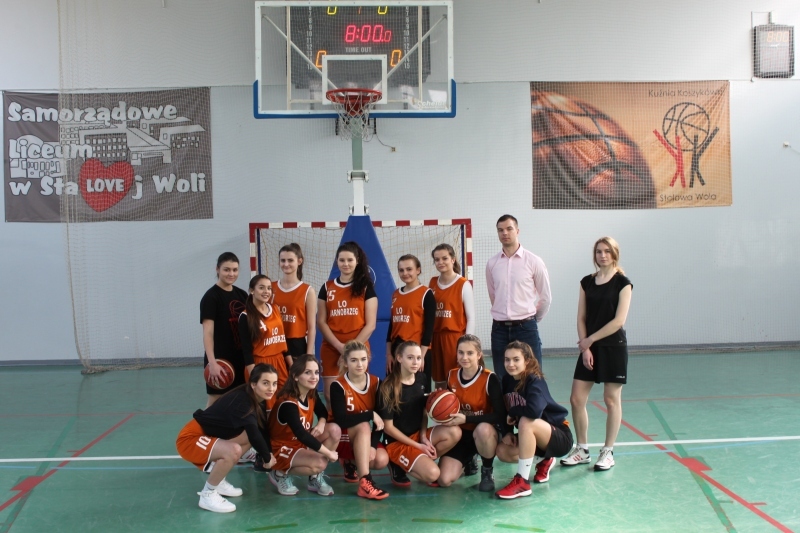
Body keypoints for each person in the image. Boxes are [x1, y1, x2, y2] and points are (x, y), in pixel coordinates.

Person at [562, 236, 632, 472]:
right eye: (599, 251)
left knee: (611, 400)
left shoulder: (623, 284)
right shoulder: (586, 282)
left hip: (613, 347)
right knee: (576, 399)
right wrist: (586, 349)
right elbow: (581, 317)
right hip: (589, 348)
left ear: (614, 254)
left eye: (607, 251)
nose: (602, 255)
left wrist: (589, 340)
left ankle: (608, 451)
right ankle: (582, 449)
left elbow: (619, 321)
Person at [176, 364, 279, 513]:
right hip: (190, 438)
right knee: (234, 450)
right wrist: (267, 459)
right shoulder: (243, 401)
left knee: (247, 437)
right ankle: (208, 494)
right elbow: (254, 434)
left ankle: (218, 480)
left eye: (274, 383)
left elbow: (260, 429)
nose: (271, 388)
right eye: (266, 383)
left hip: (207, 436)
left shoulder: (257, 398)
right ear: (253, 384)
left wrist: (268, 452)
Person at [495, 341, 573, 500]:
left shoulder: (534, 380)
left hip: (559, 437)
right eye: (507, 359)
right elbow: (504, 409)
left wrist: (514, 412)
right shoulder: (507, 380)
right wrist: (507, 432)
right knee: (502, 451)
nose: (510, 364)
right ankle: (545, 459)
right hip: (535, 439)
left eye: (516, 359)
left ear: (527, 361)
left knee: (526, 421)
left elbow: (534, 412)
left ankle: (522, 482)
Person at [377, 341, 461, 487]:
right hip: (397, 443)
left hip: (417, 435)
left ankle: (420, 460)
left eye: (418, 358)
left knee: (455, 432)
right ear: (399, 358)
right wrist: (418, 445)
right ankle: (396, 463)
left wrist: (423, 437)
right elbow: (388, 428)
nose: (415, 362)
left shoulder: (421, 378)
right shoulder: (387, 387)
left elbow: (423, 411)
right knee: (433, 474)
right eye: (410, 358)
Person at [438, 334, 508, 492]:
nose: (464, 357)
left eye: (470, 353)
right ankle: (469, 459)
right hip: (462, 434)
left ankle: (487, 470)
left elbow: (500, 415)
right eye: (461, 352)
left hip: (486, 432)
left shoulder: (490, 379)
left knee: (482, 429)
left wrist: (466, 418)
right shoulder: (452, 375)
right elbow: (448, 407)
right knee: (444, 479)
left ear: (479, 355)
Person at [486, 214, 552, 377]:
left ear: (517, 231)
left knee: (533, 377)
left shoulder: (534, 261)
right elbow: (493, 296)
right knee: (502, 378)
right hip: (499, 330)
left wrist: (531, 319)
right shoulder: (492, 263)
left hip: (526, 328)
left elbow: (545, 297)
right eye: (500, 230)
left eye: (509, 229)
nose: (505, 233)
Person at [268, 355, 342, 496]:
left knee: (334, 430)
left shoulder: (310, 393)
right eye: (308, 372)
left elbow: (322, 412)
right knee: (320, 463)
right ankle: (278, 473)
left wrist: (321, 423)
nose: (314, 377)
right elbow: (301, 434)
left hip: (299, 444)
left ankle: (314, 478)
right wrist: (329, 453)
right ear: (295, 376)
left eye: (316, 372)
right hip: (281, 448)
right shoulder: (288, 403)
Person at [317, 241, 378, 405]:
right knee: (330, 395)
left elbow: (371, 324)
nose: (346, 264)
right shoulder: (327, 287)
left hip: (358, 346)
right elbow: (321, 322)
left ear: (357, 261)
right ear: (337, 261)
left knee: (356, 392)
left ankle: (357, 421)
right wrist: (339, 347)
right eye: (342, 260)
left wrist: (350, 350)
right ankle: (334, 422)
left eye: (350, 260)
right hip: (332, 346)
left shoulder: (366, 287)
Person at [329, 340, 390, 499]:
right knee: (363, 425)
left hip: (361, 437)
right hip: (339, 436)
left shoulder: (377, 383)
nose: (359, 364)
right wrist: (369, 414)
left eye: (363, 359)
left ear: (368, 360)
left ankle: (350, 462)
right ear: (345, 362)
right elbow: (341, 420)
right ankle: (365, 483)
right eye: (354, 360)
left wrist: (373, 446)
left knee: (381, 460)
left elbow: (380, 422)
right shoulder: (338, 385)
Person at [200, 252, 248, 407]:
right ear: (217, 269)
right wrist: (212, 363)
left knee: (241, 400)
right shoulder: (211, 297)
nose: (231, 274)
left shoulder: (242, 295)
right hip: (220, 359)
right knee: (216, 400)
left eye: (235, 270)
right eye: (226, 270)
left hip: (241, 358)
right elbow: (208, 333)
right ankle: (203, 424)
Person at [238, 275, 290, 407]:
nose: (266, 291)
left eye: (269, 288)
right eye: (261, 288)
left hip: (279, 361)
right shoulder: (245, 316)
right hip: (260, 363)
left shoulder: (275, 308)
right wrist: (254, 375)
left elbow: (283, 338)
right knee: (264, 406)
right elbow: (246, 350)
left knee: (284, 401)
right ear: (252, 290)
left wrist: (291, 364)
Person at [429, 243, 475, 389]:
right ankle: (440, 404)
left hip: (454, 338)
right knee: (439, 382)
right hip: (436, 338)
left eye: (444, 258)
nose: (440, 262)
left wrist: (467, 343)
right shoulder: (432, 282)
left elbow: (471, 318)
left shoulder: (463, 284)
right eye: (437, 259)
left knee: (455, 380)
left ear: (453, 259)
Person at [386, 254, 436, 374]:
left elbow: (429, 329)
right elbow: (391, 326)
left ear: (418, 270)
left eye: (409, 269)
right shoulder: (395, 294)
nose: (405, 273)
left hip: (416, 351)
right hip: (397, 350)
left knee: (417, 385)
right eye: (401, 270)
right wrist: (388, 354)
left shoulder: (426, 294)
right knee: (395, 385)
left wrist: (421, 356)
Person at [272, 243, 317, 357]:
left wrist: (309, 355)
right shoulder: (271, 288)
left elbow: (311, 327)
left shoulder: (308, 291)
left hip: (296, 345)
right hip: (274, 341)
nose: (286, 264)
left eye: (290, 260)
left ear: (299, 261)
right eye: (283, 260)